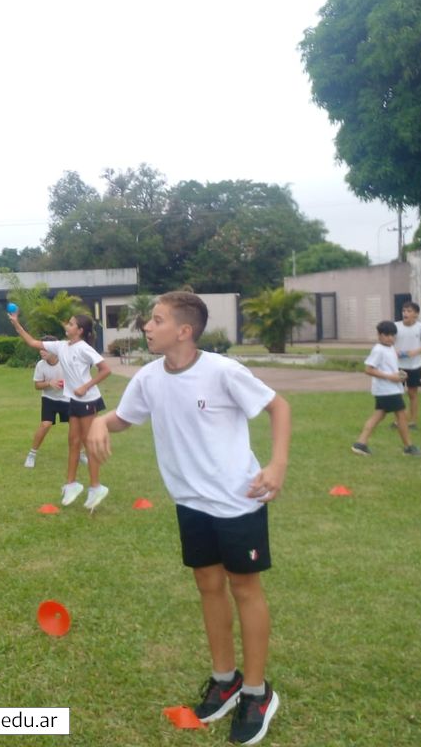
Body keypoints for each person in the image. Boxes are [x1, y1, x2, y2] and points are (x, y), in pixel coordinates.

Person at [88, 292, 291, 746]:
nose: (147, 326)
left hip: (238, 500)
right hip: (191, 502)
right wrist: (100, 422)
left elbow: (278, 406)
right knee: (207, 584)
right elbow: (124, 418)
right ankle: (225, 679)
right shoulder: (148, 378)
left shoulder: (221, 371)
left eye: (156, 320)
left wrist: (277, 465)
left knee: (244, 588)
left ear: (183, 331)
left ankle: (256, 692)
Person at [9, 310, 111, 511]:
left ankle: (96, 487)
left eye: (71, 324)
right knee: (73, 442)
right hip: (74, 400)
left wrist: (86, 386)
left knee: (88, 443)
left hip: (88, 400)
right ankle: (71, 485)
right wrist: (16, 324)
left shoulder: (84, 349)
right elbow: (33, 343)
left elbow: (106, 370)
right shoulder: (61, 346)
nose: (67, 325)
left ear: (79, 330)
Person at [353, 320, 421, 457]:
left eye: (393, 335)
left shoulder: (390, 348)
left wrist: (399, 374)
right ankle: (409, 447)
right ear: (379, 335)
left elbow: (389, 367)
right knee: (401, 416)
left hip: (389, 389)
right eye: (386, 335)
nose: (390, 338)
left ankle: (360, 444)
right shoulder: (378, 350)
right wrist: (390, 377)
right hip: (387, 390)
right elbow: (368, 369)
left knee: (378, 415)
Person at [24, 336, 88, 469]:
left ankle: (80, 453)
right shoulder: (40, 365)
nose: (41, 352)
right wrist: (49, 383)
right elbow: (37, 386)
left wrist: (67, 384)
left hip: (67, 399)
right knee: (45, 425)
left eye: (44, 349)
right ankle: (31, 455)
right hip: (49, 399)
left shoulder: (65, 362)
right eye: (40, 349)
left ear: (54, 350)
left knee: (77, 427)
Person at [394, 301, 421, 430]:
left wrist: (416, 351)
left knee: (412, 394)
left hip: (415, 366)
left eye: (409, 311)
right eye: (404, 311)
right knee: (397, 394)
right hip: (398, 366)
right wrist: (395, 352)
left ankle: (413, 421)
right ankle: (398, 421)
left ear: (416, 314)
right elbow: (389, 342)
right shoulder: (395, 326)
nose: (405, 313)